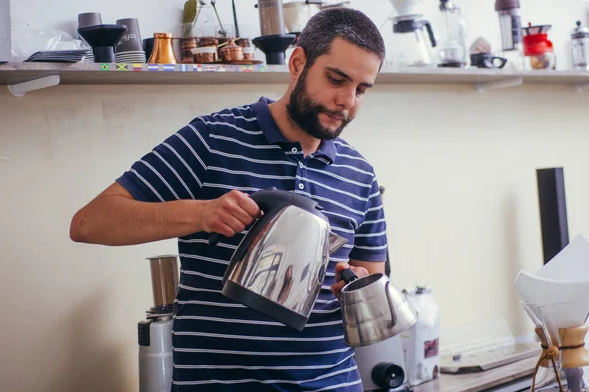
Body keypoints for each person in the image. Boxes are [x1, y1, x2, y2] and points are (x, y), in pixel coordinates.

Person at [70, 7, 388, 392]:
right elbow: (90, 222)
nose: (347, 101)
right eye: (336, 79)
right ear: (298, 62)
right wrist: (202, 213)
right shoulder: (213, 139)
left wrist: (353, 285)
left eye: (361, 89)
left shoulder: (360, 173)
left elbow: (371, 271)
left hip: (331, 383)